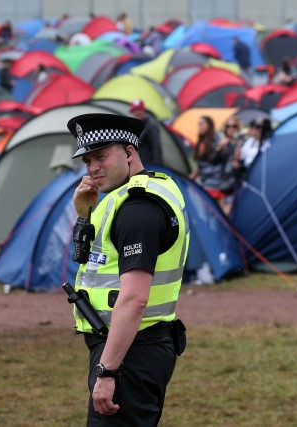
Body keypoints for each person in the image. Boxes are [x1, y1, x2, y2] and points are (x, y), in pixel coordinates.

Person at [68, 113, 189, 426]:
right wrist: (85, 215)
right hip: (129, 347)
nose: (93, 168)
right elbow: (85, 259)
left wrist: (107, 372)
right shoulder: (135, 194)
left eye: (101, 157)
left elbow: (135, 298)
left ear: (129, 152)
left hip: (131, 353)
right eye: (87, 161)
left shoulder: (137, 209)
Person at [189, 116, 233, 205]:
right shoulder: (201, 142)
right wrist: (191, 177)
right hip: (204, 183)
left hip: (215, 184)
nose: (200, 126)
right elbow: (199, 164)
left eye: (202, 124)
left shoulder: (217, 140)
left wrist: (220, 146)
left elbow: (223, 159)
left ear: (209, 125)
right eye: (199, 124)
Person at [129, 99, 163, 165]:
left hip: (149, 165)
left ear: (143, 110)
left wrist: (157, 166)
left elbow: (156, 147)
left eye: (138, 110)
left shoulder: (151, 126)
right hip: (139, 164)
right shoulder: (135, 126)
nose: (136, 113)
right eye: (134, 111)